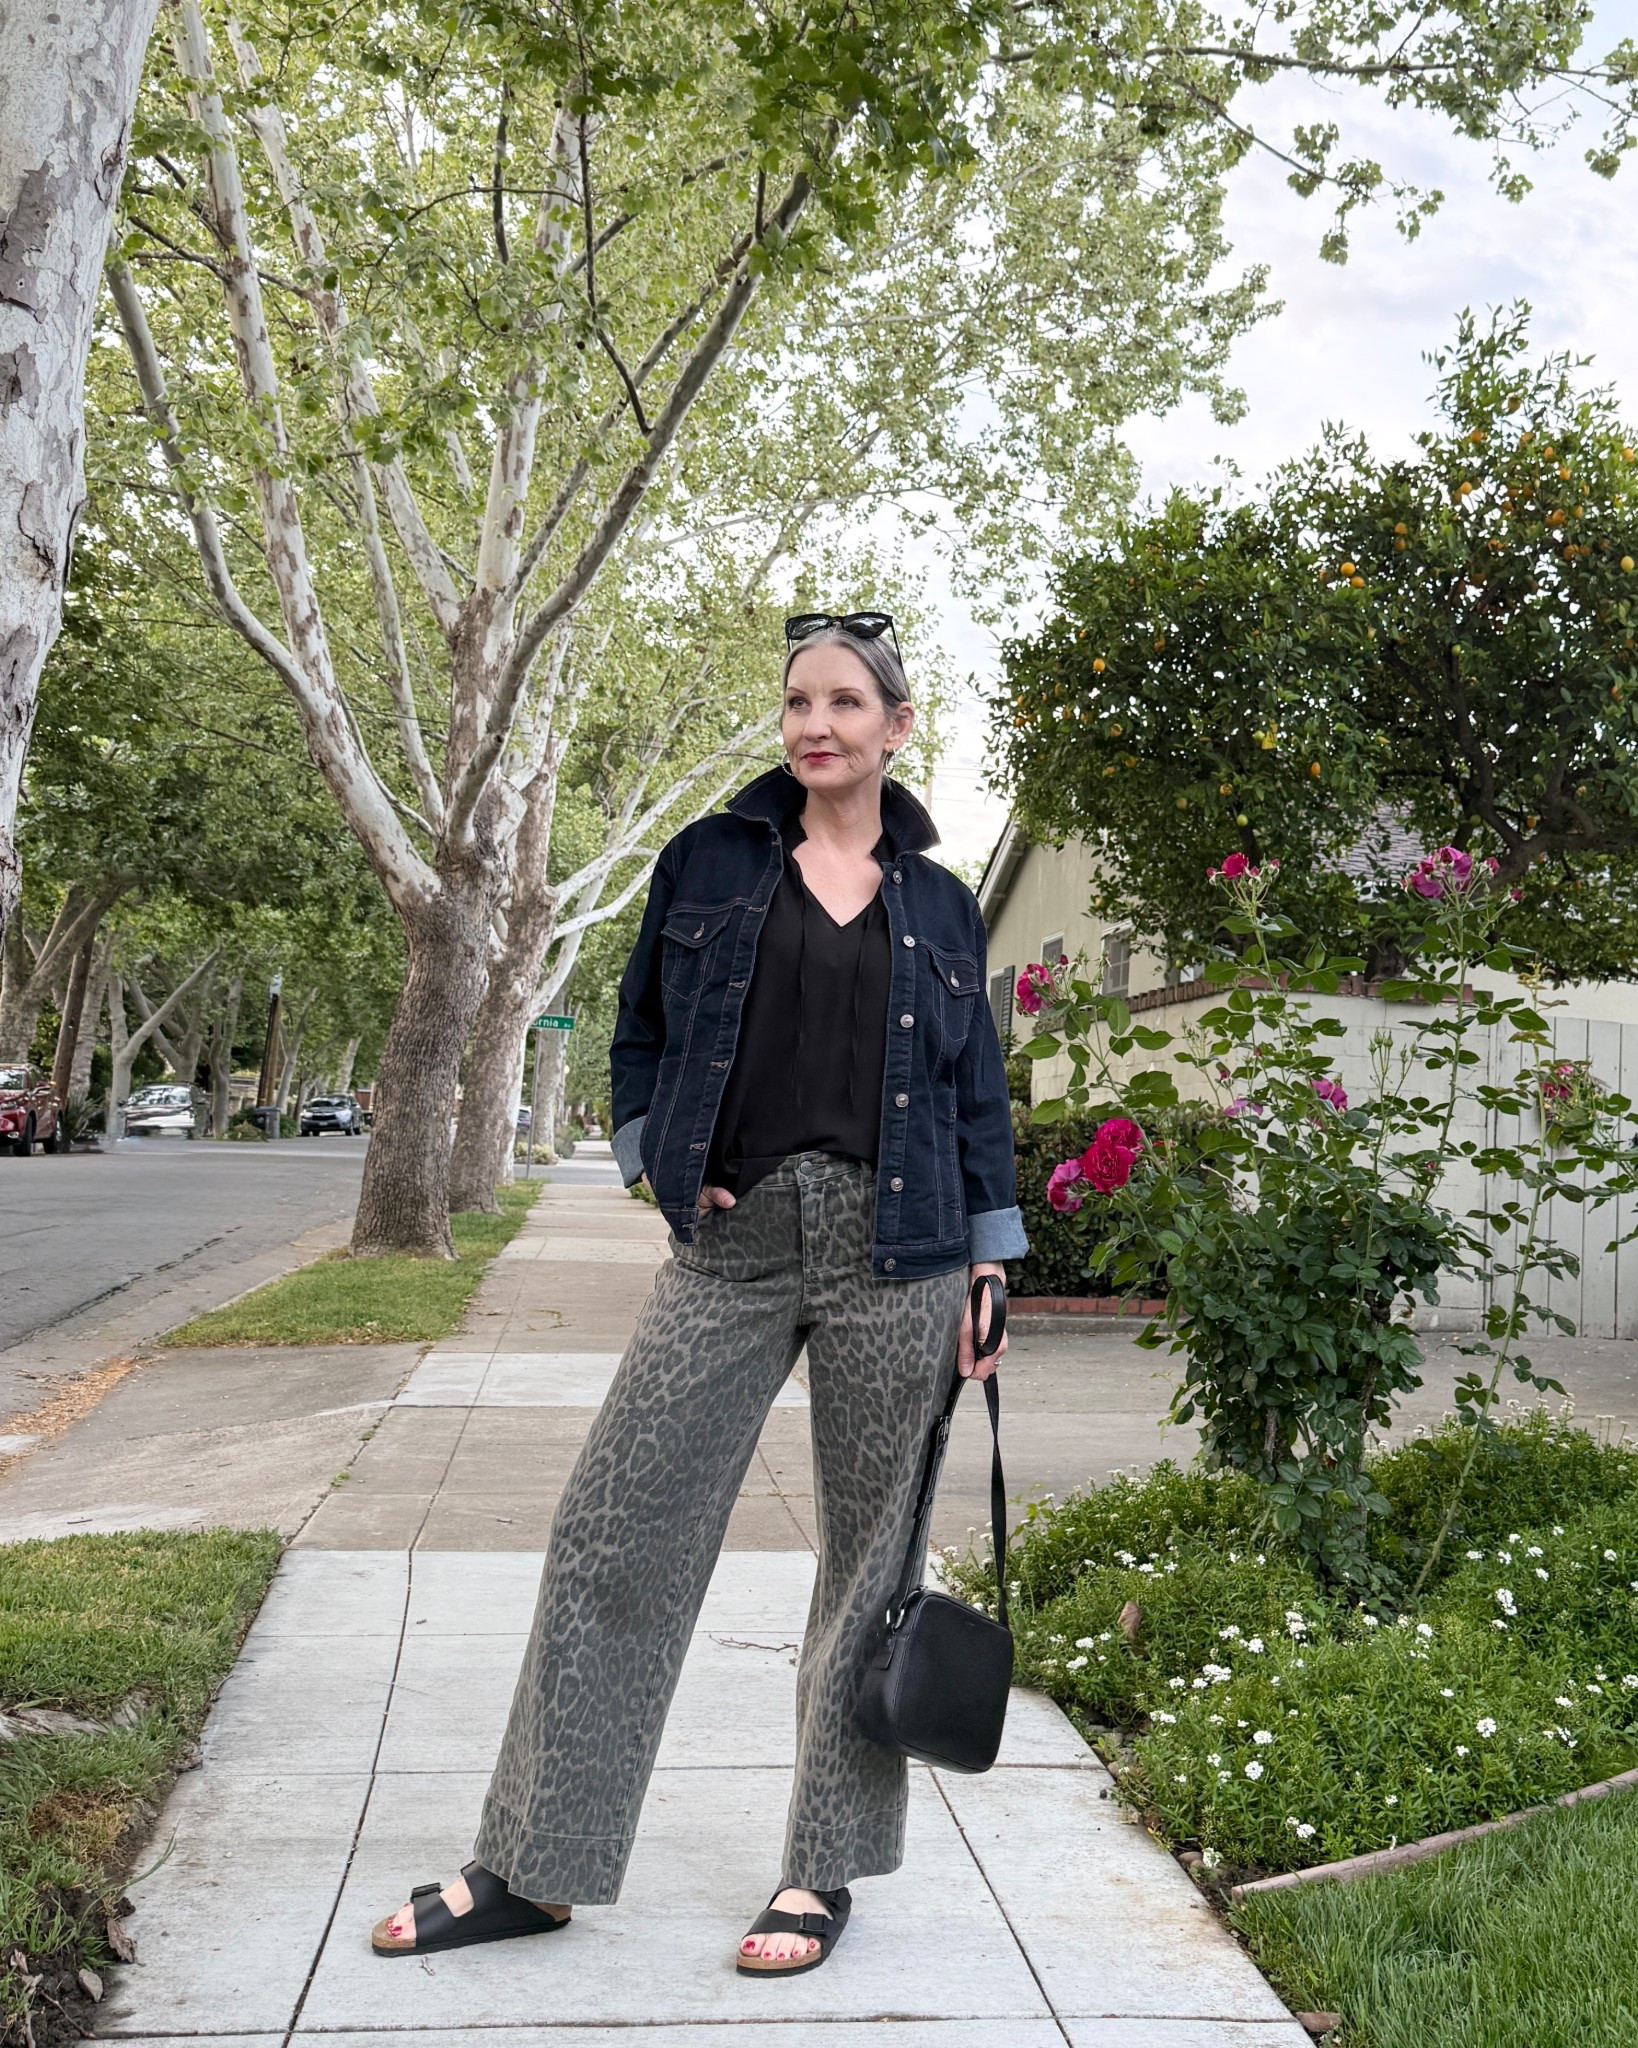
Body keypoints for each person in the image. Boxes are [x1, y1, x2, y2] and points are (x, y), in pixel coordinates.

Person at [371, 608, 1026, 1976]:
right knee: (614, 1533)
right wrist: (648, 1166)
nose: (815, 723)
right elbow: (639, 1035)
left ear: (895, 727)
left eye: (845, 701)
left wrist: (989, 1262)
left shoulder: (945, 905)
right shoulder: (710, 862)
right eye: (798, 700)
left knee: (868, 1569)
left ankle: (820, 1872)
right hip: (730, 1245)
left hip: (900, 1249)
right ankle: (534, 1863)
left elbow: (974, 1094)